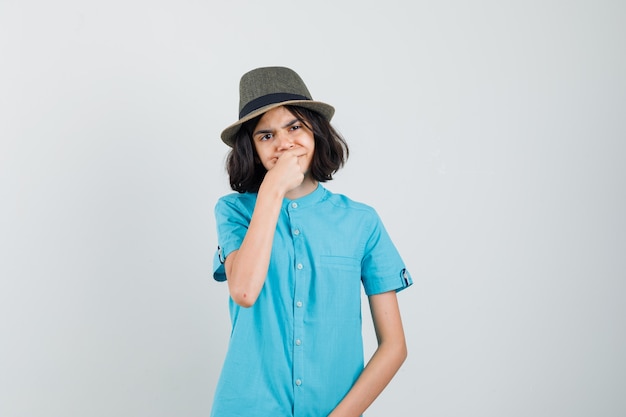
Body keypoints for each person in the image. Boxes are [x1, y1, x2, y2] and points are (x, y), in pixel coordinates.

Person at [211, 66, 412, 417]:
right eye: (266, 136)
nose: (284, 143)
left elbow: (394, 346)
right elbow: (243, 291)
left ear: (316, 132)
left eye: (294, 127)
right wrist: (274, 188)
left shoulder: (361, 221)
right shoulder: (234, 212)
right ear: (252, 148)